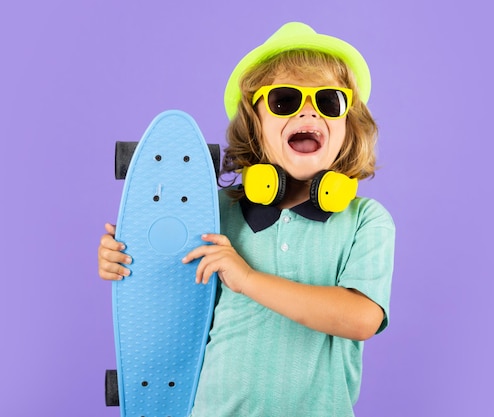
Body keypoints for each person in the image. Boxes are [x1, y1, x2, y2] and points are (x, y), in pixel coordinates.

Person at [98, 22, 395, 417]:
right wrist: (124, 258)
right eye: (285, 100)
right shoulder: (214, 211)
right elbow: (171, 302)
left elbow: (362, 318)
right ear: (254, 123)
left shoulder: (364, 220)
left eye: (329, 102)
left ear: (347, 126)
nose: (309, 110)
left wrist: (249, 280)